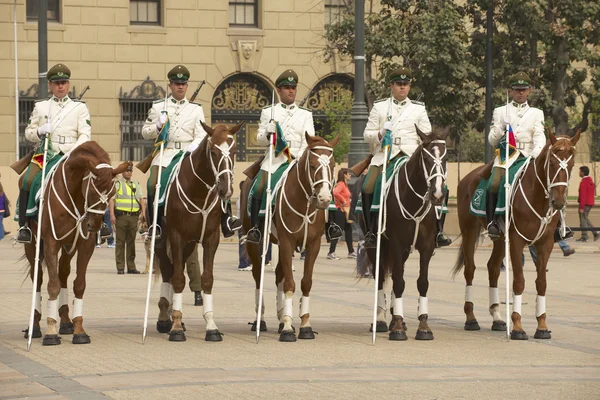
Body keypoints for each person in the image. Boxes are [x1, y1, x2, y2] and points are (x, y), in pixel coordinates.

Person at [141, 65, 240, 244]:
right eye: (177, 83)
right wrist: (157, 127)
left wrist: (191, 149)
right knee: (152, 182)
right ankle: (154, 225)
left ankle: (226, 219)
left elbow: (201, 134)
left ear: (187, 86)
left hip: (189, 154)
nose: (180, 87)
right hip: (167, 153)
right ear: (170, 85)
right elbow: (145, 132)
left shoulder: (196, 109)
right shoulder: (158, 107)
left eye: (184, 84)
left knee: (219, 177)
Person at [246, 69, 341, 244]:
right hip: (275, 161)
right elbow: (259, 140)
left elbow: (310, 140)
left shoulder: (305, 114)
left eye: (293, 87)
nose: (291, 91)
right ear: (279, 90)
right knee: (258, 187)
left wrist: (300, 158)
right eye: (286, 87)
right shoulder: (269, 112)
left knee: (325, 182)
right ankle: (256, 228)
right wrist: (268, 133)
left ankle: (331, 225)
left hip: (299, 160)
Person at [18, 64, 93, 243]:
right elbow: (28, 133)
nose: (61, 86)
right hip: (46, 153)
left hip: (72, 154)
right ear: (50, 85)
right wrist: (40, 131)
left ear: (68, 84)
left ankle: (97, 223)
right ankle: (24, 226)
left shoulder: (79, 108)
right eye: (57, 83)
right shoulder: (41, 107)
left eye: (64, 82)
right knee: (27, 180)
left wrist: (75, 152)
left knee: (95, 181)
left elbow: (85, 134)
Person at [361, 67, 432, 248]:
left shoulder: (418, 109)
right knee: (368, 185)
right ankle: (371, 230)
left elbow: (427, 134)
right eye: (399, 84)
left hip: (412, 156)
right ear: (391, 85)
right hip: (386, 155)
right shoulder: (380, 106)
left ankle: (437, 230)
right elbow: (366, 134)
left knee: (440, 186)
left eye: (406, 84)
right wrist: (380, 132)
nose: (402, 88)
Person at [486, 72, 545, 240]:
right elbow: (491, 140)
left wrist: (536, 153)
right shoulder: (500, 111)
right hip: (507, 155)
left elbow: (540, 135)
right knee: (494, 182)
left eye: (524, 89)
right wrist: (500, 127)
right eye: (517, 89)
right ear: (510, 91)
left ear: (529, 91)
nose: (521, 93)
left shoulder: (536, 113)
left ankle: (558, 225)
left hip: (528, 155)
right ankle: (493, 222)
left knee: (552, 182)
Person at [109, 165, 145, 274]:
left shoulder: (136, 184)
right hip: (121, 217)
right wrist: (111, 215)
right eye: (126, 170)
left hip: (134, 216)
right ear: (123, 172)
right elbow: (112, 200)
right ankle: (120, 267)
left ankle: (131, 267)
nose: (129, 172)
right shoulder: (118, 184)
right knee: (120, 242)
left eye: (130, 170)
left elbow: (141, 198)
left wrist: (143, 213)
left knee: (131, 243)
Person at [327, 168, 356, 260]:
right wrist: (343, 200)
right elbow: (335, 192)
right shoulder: (341, 184)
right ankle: (331, 252)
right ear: (344, 175)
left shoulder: (344, 185)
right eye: (349, 174)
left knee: (348, 231)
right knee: (338, 231)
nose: (350, 175)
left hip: (345, 211)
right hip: (341, 211)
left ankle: (351, 251)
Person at [577, 166, 598, 242]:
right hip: (589, 203)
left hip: (584, 204)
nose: (579, 173)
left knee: (583, 220)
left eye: (580, 171)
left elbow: (583, 195)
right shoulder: (590, 181)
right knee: (585, 218)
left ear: (583, 172)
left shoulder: (584, 182)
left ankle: (585, 236)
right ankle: (594, 232)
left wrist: (581, 207)